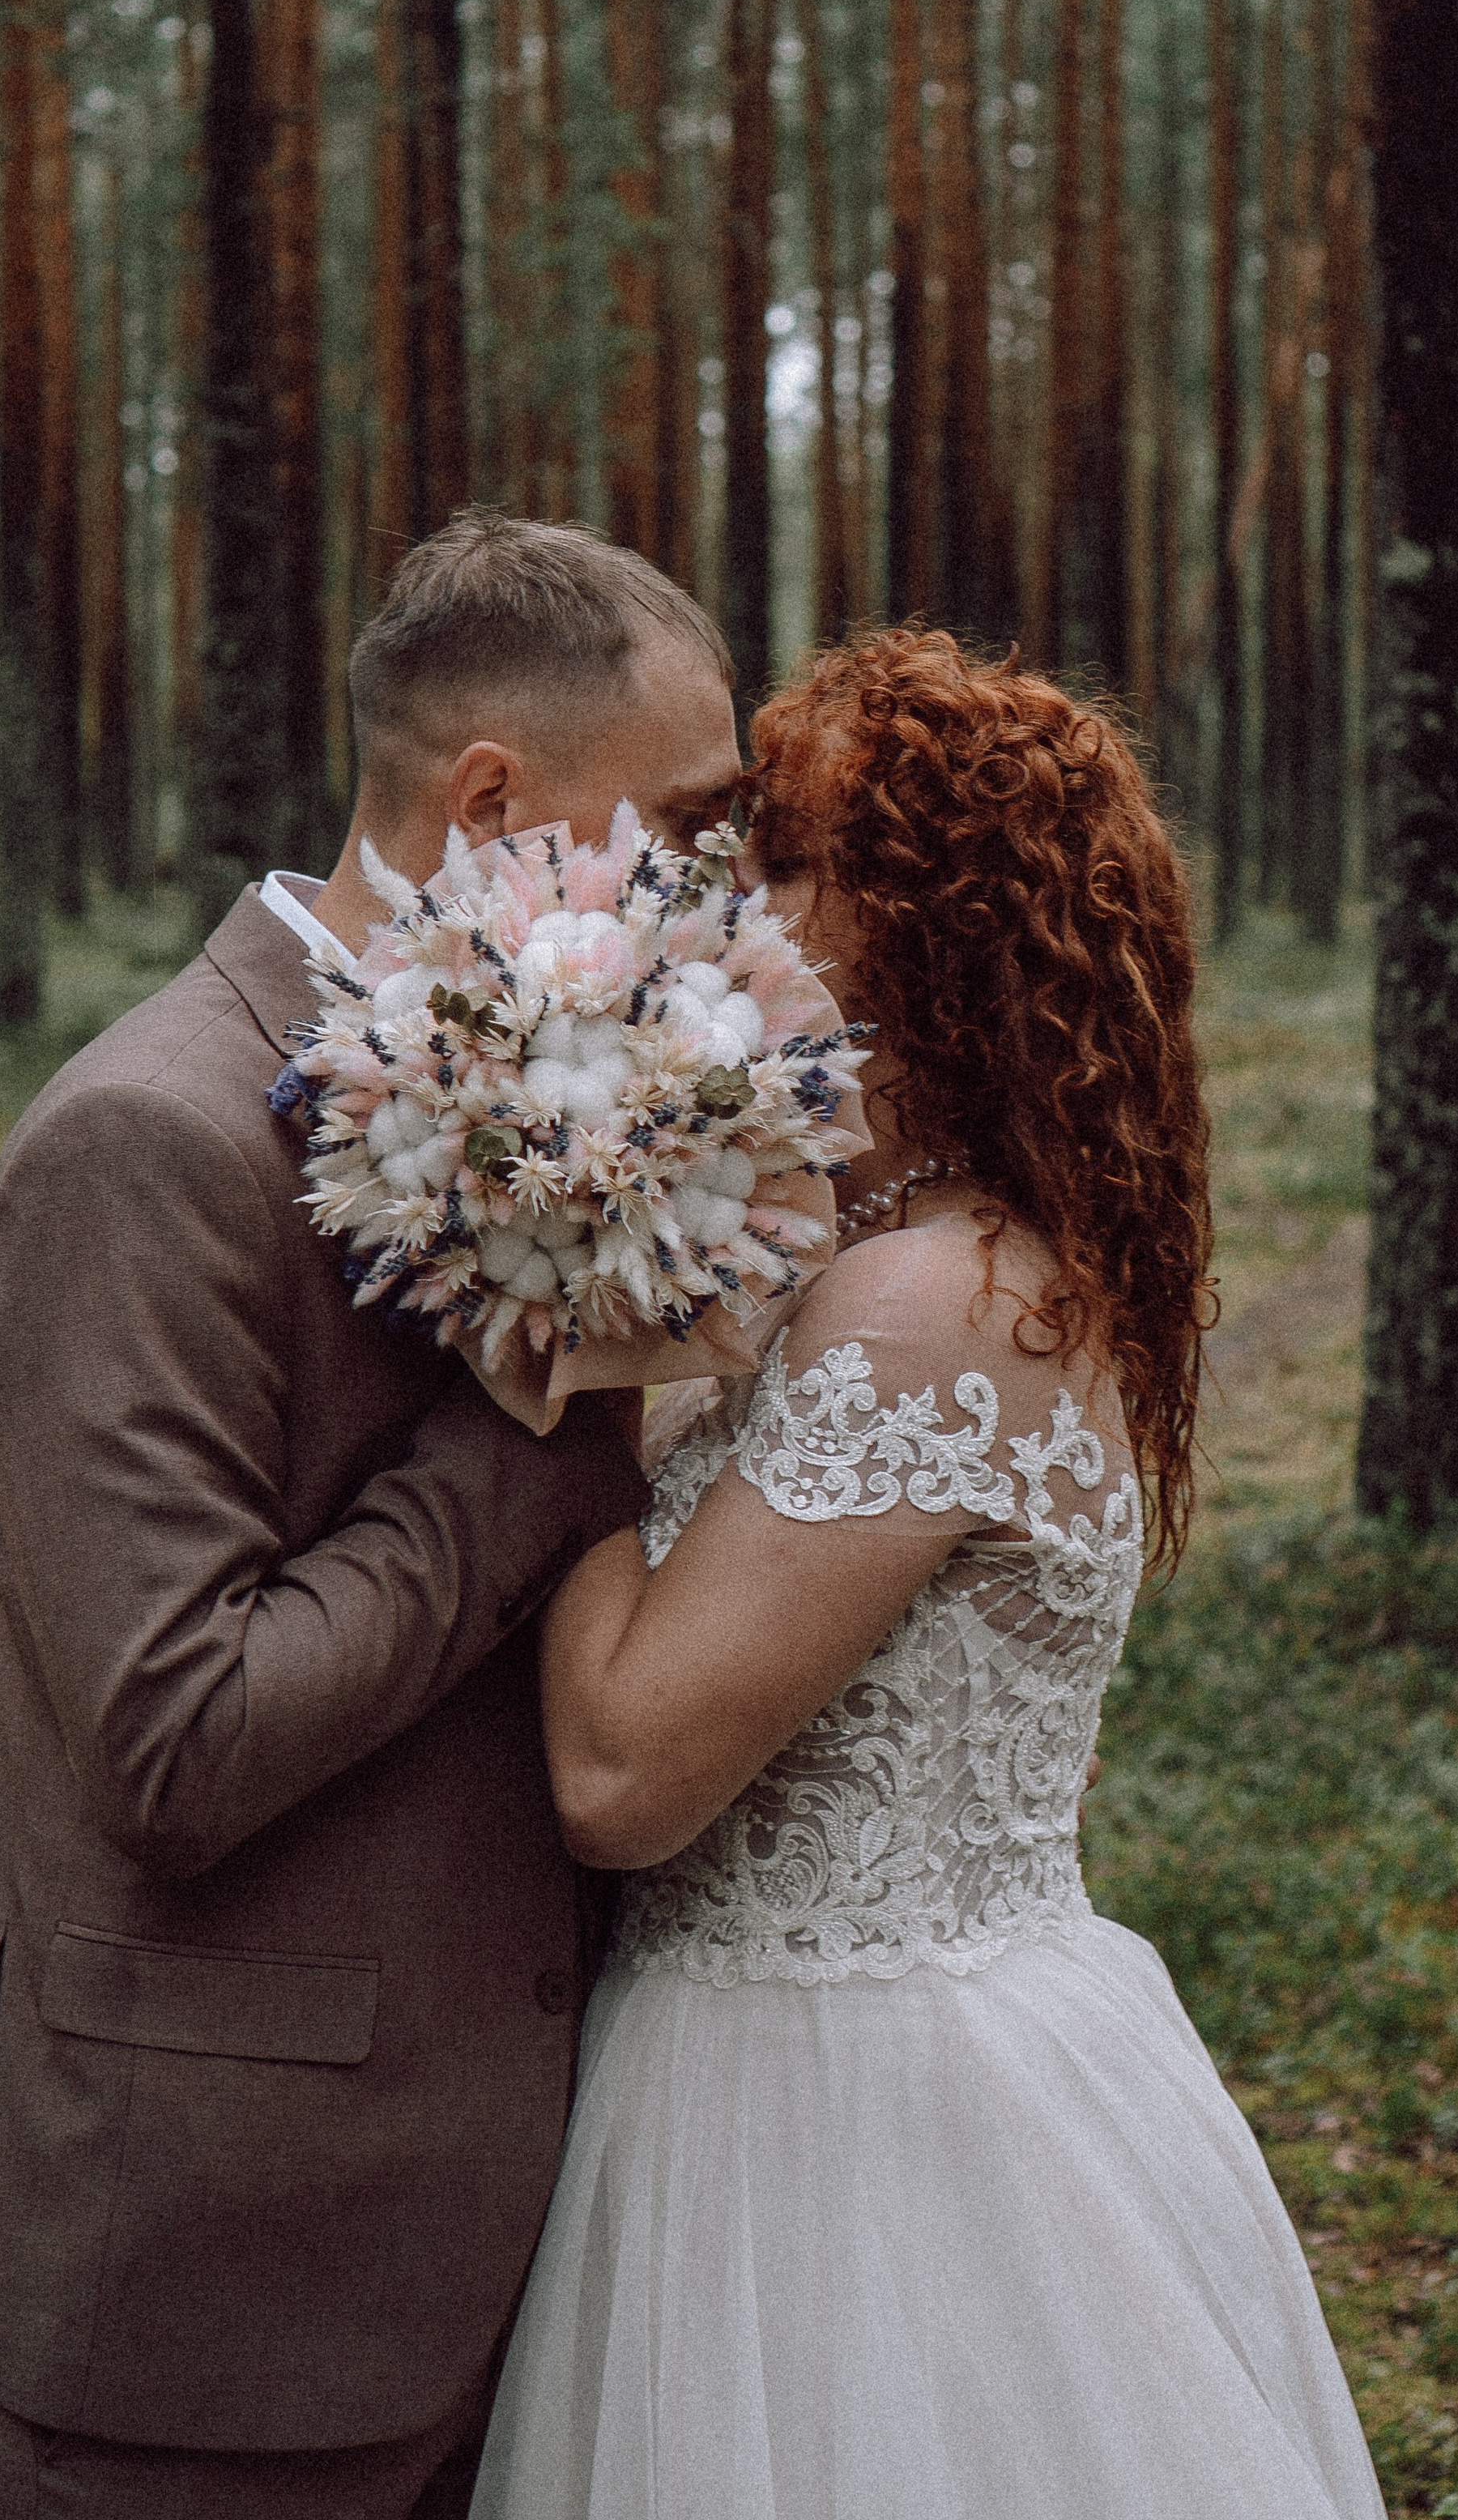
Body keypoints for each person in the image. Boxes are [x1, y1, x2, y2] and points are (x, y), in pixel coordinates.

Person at [473, 629, 1387, 2520]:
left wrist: (552, 1372)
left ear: (934, 920)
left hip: (853, 2121)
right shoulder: (874, 1250)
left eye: (791, 857)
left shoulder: (928, 1304)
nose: (732, 898)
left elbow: (622, 1776)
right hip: (781, 2052)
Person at [0, 514, 743, 2520]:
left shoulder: (571, 1092)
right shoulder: (150, 1143)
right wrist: (550, 1441)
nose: (709, 881)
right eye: (686, 819)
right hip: (209, 2308)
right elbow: (172, 1739)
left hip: (508, 2266)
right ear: (492, 801)